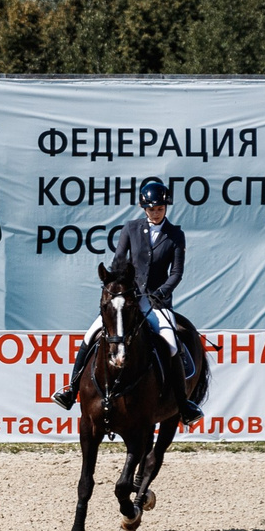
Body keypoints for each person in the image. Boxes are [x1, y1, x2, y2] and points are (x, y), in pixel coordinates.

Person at [65, 178, 203, 422]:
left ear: (165, 208)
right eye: (152, 209)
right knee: (91, 335)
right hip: (127, 298)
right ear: (144, 208)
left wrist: (162, 291)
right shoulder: (131, 228)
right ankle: (71, 389)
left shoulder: (175, 235)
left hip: (157, 302)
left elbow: (177, 272)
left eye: (160, 209)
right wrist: (119, 287)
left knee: (171, 343)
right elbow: (119, 261)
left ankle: (183, 403)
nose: (156, 213)